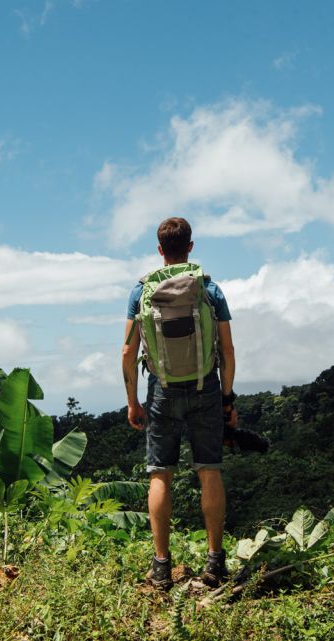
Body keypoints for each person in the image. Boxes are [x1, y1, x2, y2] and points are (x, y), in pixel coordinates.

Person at [122, 216, 238, 591]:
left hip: (162, 390)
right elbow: (228, 350)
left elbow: (127, 351)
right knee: (209, 471)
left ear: (160, 250)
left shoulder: (140, 293)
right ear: (191, 246)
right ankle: (215, 562)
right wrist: (226, 398)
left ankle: (160, 567)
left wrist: (132, 402)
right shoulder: (210, 290)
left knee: (160, 474)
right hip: (205, 388)